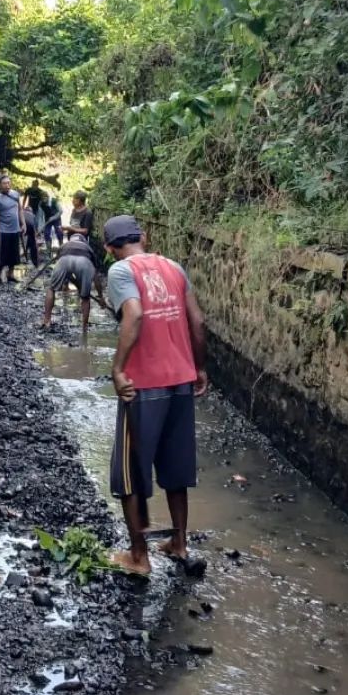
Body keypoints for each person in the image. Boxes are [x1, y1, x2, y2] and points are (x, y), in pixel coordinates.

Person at [103, 215, 208, 576]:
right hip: (181, 380)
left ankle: (138, 556)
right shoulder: (173, 267)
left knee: (130, 473)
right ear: (143, 237)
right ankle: (179, 543)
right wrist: (200, 367)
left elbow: (134, 314)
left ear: (109, 248)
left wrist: (118, 369)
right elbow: (198, 321)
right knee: (176, 467)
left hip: (143, 386)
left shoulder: (121, 271)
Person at [41, 236, 102, 332]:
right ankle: (84, 328)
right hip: (84, 262)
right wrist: (100, 296)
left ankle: (46, 320)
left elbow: (66, 271)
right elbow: (95, 277)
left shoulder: (65, 245)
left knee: (51, 289)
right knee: (85, 298)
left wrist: (74, 283)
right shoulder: (88, 248)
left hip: (64, 260)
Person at [0, 176, 23, 283]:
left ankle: (10, 274)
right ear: (0, 185)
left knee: (14, 254)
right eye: (4, 183)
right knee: (1, 255)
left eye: (8, 183)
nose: (7, 185)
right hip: (3, 231)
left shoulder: (16, 195)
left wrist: (23, 223)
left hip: (15, 229)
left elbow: (20, 209)